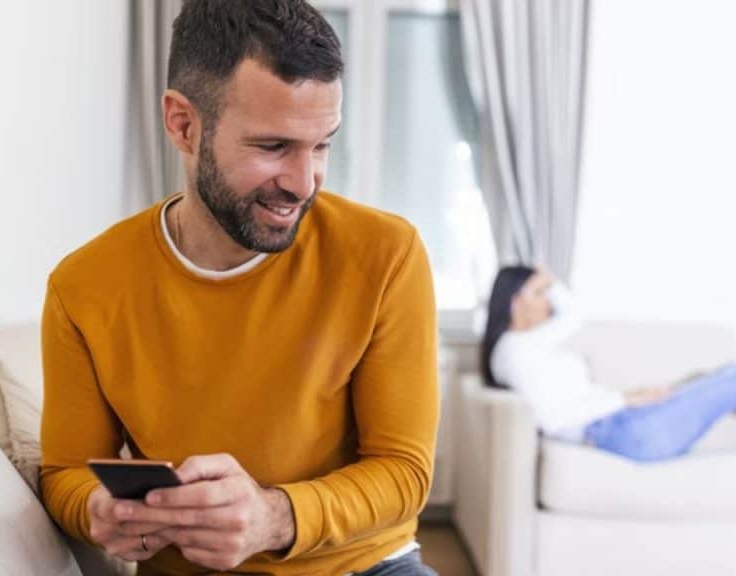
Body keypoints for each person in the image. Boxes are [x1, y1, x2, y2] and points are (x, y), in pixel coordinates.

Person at [39, 2, 438, 575]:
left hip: (363, 566)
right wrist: (97, 509)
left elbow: (404, 472)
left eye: (322, 144)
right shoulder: (83, 286)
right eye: (273, 147)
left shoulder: (387, 254)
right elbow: (65, 473)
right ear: (183, 125)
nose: (304, 183)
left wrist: (273, 517)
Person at [481, 266, 736, 461]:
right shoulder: (514, 352)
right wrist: (624, 399)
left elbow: (573, 316)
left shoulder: (528, 343)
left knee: (727, 375)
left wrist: (548, 281)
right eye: (539, 293)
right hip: (621, 430)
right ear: (515, 301)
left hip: (625, 422)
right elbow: (552, 418)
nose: (548, 301)